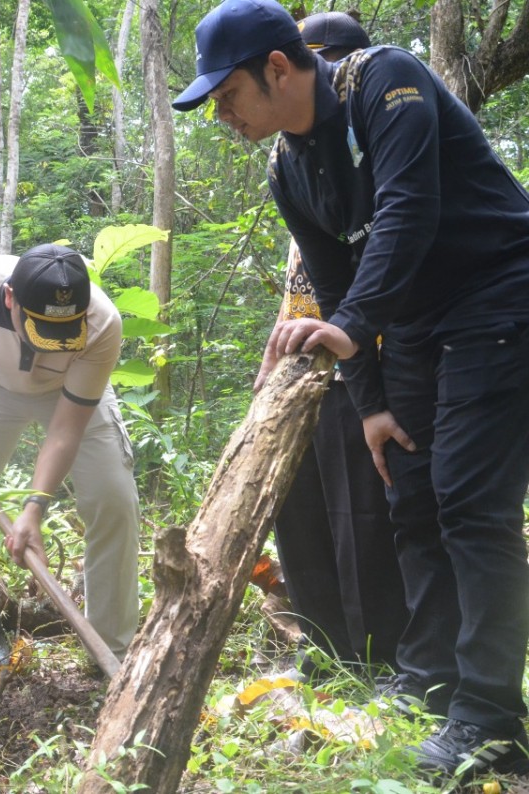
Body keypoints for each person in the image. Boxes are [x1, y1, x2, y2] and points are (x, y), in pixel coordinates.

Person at [174, 0, 529, 779]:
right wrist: (369, 403)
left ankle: (491, 716)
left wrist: (355, 323)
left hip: (497, 295)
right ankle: (430, 684)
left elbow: (408, 209)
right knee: (411, 492)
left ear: (276, 67)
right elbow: (333, 284)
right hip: (411, 324)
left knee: (471, 501)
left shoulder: (385, 82)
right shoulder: (286, 167)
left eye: (227, 94)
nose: (222, 114)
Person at [0, 245, 141, 672]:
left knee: (112, 497)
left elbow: (66, 429)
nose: (53, 342)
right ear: (9, 298)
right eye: (41, 328)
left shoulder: (102, 322)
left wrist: (34, 507)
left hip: (68, 390)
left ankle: (110, 652)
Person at [267, 11, 409, 679]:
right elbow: (306, 271)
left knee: (363, 518)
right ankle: (325, 648)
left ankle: (376, 655)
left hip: (367, 357)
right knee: (303, 511)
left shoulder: (379, 139)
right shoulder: (299, 164)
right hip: (305, 365)